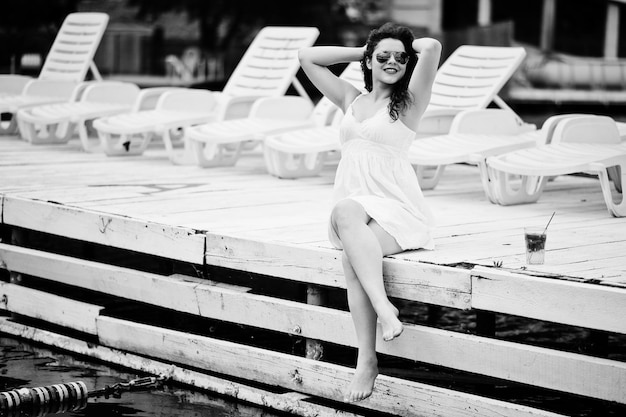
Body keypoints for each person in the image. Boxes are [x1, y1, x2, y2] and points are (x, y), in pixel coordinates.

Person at [298, 22, 441, 403]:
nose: (392, 61)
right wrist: (363, 50)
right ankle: (384, 310)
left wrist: (401, 48)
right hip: (355, 210)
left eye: (399, 57)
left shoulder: (409, 102)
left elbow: (432, 45)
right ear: (370, 60)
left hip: (396, 210)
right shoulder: (351, 98)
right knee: (347, 214)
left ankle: (366, 360)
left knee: (352, 258)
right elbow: (307, 57)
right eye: (383, 56)